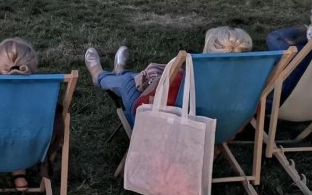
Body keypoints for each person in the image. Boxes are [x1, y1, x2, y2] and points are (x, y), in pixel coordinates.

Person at [85, 26, 254, 125]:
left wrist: (157, 84)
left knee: (125, 82)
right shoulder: (250, 83)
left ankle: (99, 75)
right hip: (224, 128)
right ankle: (120, 70)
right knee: (131, 78)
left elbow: (141, 106)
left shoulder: (187, 79)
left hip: (163, 127)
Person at [0, 38, 63, 192]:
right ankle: (19, 171)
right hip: (28, 145)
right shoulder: (40, 95)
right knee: (20, 130)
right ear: (32, 68)